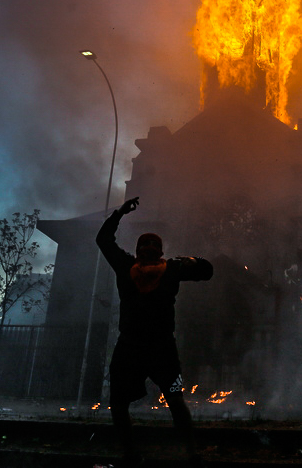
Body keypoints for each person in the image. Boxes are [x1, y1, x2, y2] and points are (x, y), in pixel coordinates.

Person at [96, 196, 213, 467]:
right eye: (144, 243)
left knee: (175, 398)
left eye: (154, 244)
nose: (149, 247)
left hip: (162, 348)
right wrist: (119, 214)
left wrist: (194, 260)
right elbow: (103, 240)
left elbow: (207, 271)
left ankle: (192, 454)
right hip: (129, 347)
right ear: (137, 250)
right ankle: (130, 454)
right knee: (119, 402)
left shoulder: (172, 269)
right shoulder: (126, 266)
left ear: (160, 250)